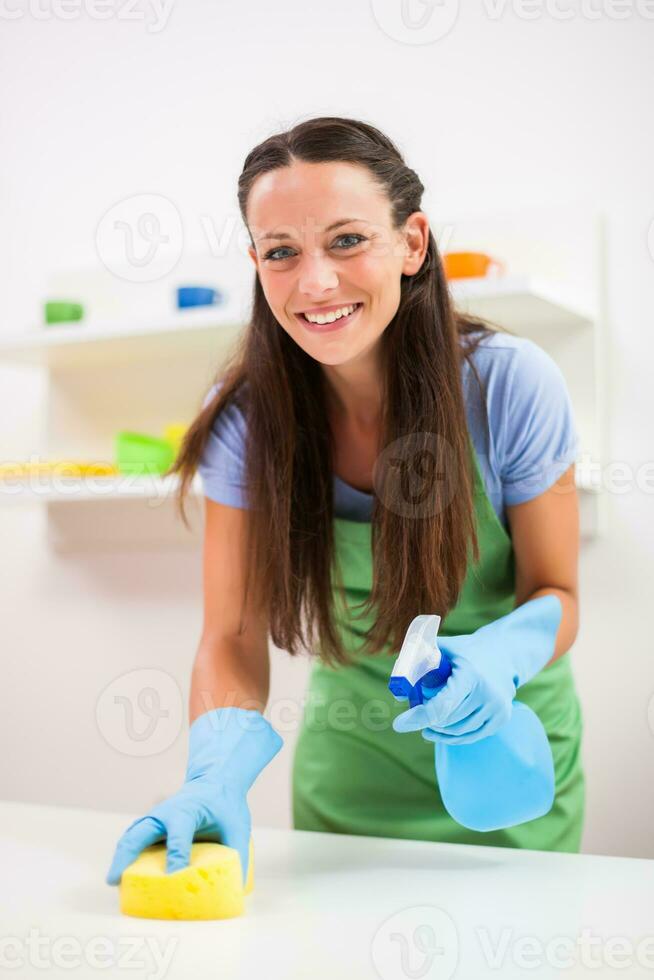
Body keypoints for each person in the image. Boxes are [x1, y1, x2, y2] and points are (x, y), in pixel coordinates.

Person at [106, 116, 584, 889]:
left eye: (348, 240)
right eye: (282, 252)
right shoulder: (248, 417)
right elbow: (231, 631)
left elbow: (557, 595)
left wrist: (499, 659)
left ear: (413, 243)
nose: (316, 283)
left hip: (508, 763)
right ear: (256, 264)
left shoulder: (510, 386)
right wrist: (213, 771)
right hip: (351, 777)